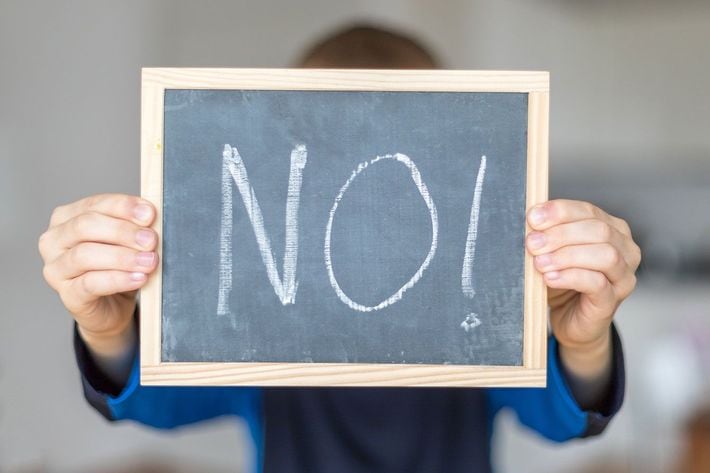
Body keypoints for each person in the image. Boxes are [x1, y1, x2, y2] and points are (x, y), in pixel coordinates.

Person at [39, 25, 640, 473]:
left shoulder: (475, 294)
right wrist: (108, 333)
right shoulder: (258, 307)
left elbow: (564, 416)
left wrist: (583, 342)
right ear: (291, 166)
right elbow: (155, 402)